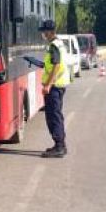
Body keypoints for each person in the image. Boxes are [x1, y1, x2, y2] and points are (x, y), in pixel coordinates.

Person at [38, 20, 71, 158]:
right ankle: (60, 145)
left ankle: (59, 147)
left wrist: (48, 85)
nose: (43, 34)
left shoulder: (53, 46)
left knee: (53, 116)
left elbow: (57, 66)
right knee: (56, 115)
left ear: (50, 32)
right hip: (59, 85)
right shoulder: (59, 44)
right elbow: (52, 65)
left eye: (44, 31)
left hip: (55, 86)